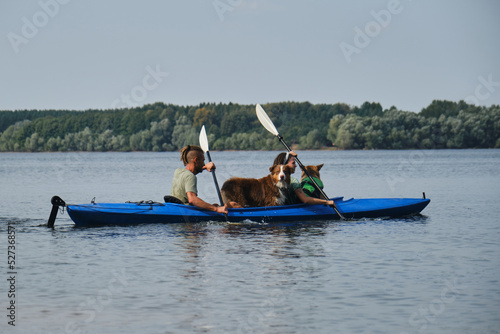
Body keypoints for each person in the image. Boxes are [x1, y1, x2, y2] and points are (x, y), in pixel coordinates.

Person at [171, 145, 228, 214]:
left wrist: (204, 167)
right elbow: (192, 199)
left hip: (175, 207)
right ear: (195, 160)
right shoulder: (191, 176)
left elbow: (190, 173)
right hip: (185, 211)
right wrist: (216, 209)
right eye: (203, 161)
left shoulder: (178, 171)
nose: (204, 163)